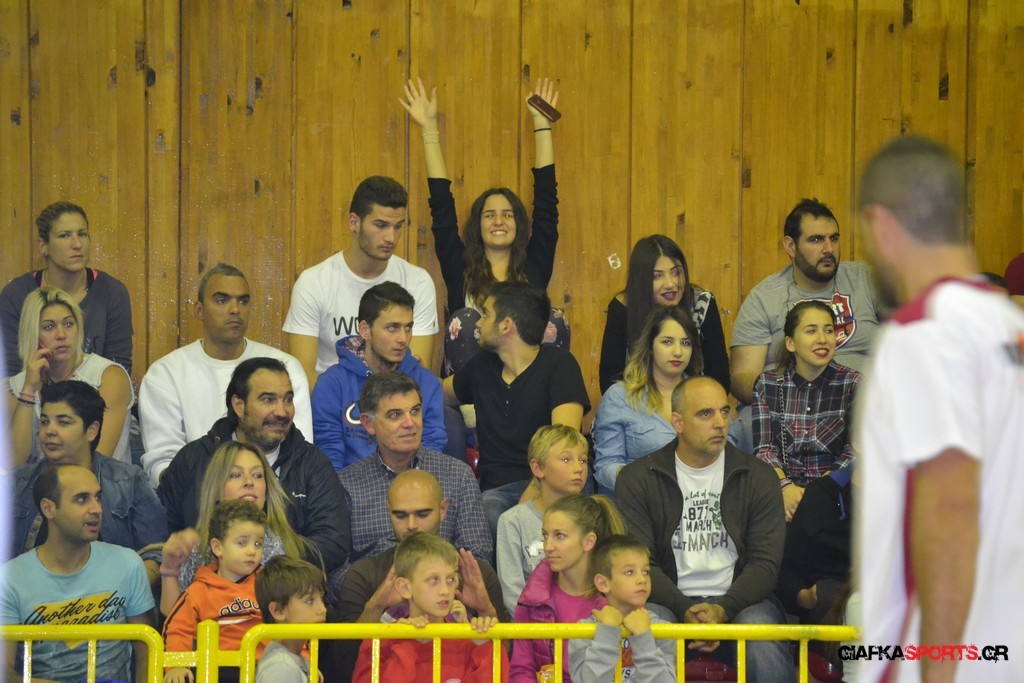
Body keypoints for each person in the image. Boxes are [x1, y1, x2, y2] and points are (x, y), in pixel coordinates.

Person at [856, 136, 1024, 681]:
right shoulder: (1010, 327)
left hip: (956, 659)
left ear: (882, 225)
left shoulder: (925, 332)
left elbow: (949, 506)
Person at [615, 377, 792, 682]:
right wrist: (685, 608)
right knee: (648, 631)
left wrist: (723, 610)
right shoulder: (638, 478)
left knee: (761, 636)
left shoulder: (758, 476)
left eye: (724, 411)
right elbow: (639, 564)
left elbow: (765, 564)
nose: (720, 423)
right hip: (666, 600)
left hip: (744, 601)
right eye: (705, 414)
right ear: (678, 422)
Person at [400, 77, 567, 375]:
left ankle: (539, 395)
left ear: (519, 225)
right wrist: (428, 127)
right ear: (477, 226)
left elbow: (547, 206)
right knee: (465, 321)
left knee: (553, 320)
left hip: (525, 383)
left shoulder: (534, 265)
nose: (499, 221)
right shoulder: (460, 266)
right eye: (489, 215)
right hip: (470, 389)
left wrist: (542, 125)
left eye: (507, 215)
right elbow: (441, 206)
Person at [158, 358, 348, 574]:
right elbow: (161, 534)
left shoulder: (311, 463)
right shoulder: (194, 460)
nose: (282, 412)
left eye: (288, 400)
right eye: (268, 400)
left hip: (287, 588)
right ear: (239, 406)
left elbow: (334, 543)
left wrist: (269, 558)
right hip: (202, 587)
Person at [730, 198, 883, 450]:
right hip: (791, 408)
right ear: (791, 246)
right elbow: (742, 377)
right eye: (816, 240)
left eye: (834, 238)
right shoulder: (764, 298)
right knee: (747, 425)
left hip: (866, 402)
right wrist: (788, 397)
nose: (829, 249)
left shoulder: (865, 280)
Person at [140, 263, 312, 488]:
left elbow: (300, 450)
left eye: (243, 301)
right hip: (196, 494)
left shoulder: (286, 367)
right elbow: (163, 463)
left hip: (278, 491)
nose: (235, 309)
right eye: (222, 300)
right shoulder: (165, 373)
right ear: (199, 310)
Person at [443, 281, 590, 537]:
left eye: (486, 314)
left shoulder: (559, 365)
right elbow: (436, 393)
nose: (478, 324)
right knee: (488, 513)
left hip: (553, 483)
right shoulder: (482, 367)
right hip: (497, 491)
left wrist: (526, 506)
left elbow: (562, 446)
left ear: (506, 325)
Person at [330, 470, 505, 683]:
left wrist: (486, 611)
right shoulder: (364, 574)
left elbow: (506, 665)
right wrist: (376, 608)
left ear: (443, 510)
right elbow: (343, 669)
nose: (411, 525)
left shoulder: (476, 575)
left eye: (422, 514)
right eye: (400, 515)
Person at [0, 465, 154, 683]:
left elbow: (146, 653)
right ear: (48, 509)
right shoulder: (9, 579)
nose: (97, 509)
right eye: (81, 499)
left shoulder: (128, 564)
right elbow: (4, 673)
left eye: (98, 497)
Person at [283, 176, 438, 388]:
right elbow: (303, 378)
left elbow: (415, 372)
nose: (391, 238)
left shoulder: (418, 282)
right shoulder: (314, 283)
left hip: (395, 401)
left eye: (398, 226)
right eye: (381, 225)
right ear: (354, 222)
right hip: (333, 401)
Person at [9, 381, 166, 582]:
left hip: (113, 595)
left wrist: (122, 591)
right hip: (31, 595)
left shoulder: (128, 481)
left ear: (92, 430)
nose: (49, 431)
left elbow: (157, 552)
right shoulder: (16, 484)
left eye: (63, 422)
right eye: (45, 422)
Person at [338, 372, 490, 566]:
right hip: (374, 583)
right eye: (395, 415)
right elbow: (336, 569)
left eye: (415, 411)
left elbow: (478, 558)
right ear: (368, 423)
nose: (410, 423)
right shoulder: (347, 484)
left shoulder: (458, 476)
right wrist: (373, 583)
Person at [157, 441, 317, 616]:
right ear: (216, 490)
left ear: (266, 490)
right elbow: (174, 616)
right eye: (235, 475)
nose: (249, 482)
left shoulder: (286, 547)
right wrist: (169, 571)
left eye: (257, 475)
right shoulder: (194, 547)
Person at [312, 282, 446, 470]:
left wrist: (412, 485)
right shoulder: (332, 384)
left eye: (408, 328)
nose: (403, 339)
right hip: (352, 484)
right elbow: (329, 453)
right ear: (365, 330)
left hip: (412, 483)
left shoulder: (426, 382)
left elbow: (432, 448)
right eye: (392, 328)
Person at [751, 300, 860, 521]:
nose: (823, 339)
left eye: (828, 330)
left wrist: (820, 491)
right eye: (811, 331)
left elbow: (854, 450)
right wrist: (785, 488)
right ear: (790, 343)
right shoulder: (768, 384)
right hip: (783, 494)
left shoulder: (853, 383)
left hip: (834, 493)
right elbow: (764, 450)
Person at [352, 532, 507, 683]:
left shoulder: (468, 639)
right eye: (433, 580)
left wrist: (484, 647)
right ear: (405, 588)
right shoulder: (378, 643)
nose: (445, 590)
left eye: (451, 579)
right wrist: (406, 645)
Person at [1, 201, 133, 375]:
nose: (77, 244)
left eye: (82, 234)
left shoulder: (112, 292)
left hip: (97, 391)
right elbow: (9, 373)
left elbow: (119, 368)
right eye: (64, 235)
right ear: (43, 246)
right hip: (32, 390)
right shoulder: (16, 295)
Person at [5, 287, 133, 465]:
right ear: (32, 334)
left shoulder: (107, 376)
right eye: (49, 327)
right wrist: (28, 390)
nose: (61, 335)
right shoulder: (14, 387)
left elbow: (95, 459)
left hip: (99, 480)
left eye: (68, 324)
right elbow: (13, 465)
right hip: (38, 482)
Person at [511, 493, 625, 683]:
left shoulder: (620, 599)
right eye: (545, 535)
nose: (548, 546)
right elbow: (521, 669)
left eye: (559, 536)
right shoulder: (532, 599)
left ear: (588, 541)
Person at [593, 306, 704, 495]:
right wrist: (643, 482)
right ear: (650, 346)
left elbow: (724, 455)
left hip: (697, 500)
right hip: (637, 501)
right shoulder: (619, 397)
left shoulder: (705, 395)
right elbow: (606, 467)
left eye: (686, 343)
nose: (678, 352)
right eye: (667, 342)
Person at [599, 234, 728, 393]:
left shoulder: (701, 303)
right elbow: (609, 382)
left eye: (676, 273)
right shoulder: (623, 308)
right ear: (642, 280)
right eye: (657, 276)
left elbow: (720, 380)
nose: (670, 284)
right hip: (635, 402)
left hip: (694, 400)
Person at [163, 500, 267, 683]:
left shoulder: (269, 584)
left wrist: (304, 660)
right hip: (217, 669)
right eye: (242, 543)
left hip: (265, 667)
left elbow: (293, 620)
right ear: (218, 547)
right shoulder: (199, 591)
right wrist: (177, 665)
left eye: (258, 544)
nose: (252, 551)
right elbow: (177, 629)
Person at [496, 424, 589, 616]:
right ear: (538, 468)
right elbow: (512, 592)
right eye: (566, 459)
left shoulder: (594, 516)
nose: (578, 468)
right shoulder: (512, 521)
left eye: (583, 460)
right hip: (534, 626)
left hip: (586, 626)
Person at [568, 535, 676, 683]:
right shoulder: (584, 631)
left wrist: (643, 637)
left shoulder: (663, 630)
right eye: (629, 572)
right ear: (603, 583)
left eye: (645, 572)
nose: (642, 579)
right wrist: (607, 632)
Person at [778, 466, 854, 626]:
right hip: (829, 610)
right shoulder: (822, 493)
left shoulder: (907, 498)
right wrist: (804, 596)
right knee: (829, 595)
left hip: (890, 610)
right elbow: (787, 570)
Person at [255, 556, 328, 683]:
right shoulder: (280, 668)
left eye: (321, 599)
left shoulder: (296, 660)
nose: (323, 609)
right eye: (309, 601)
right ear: (278, 610)